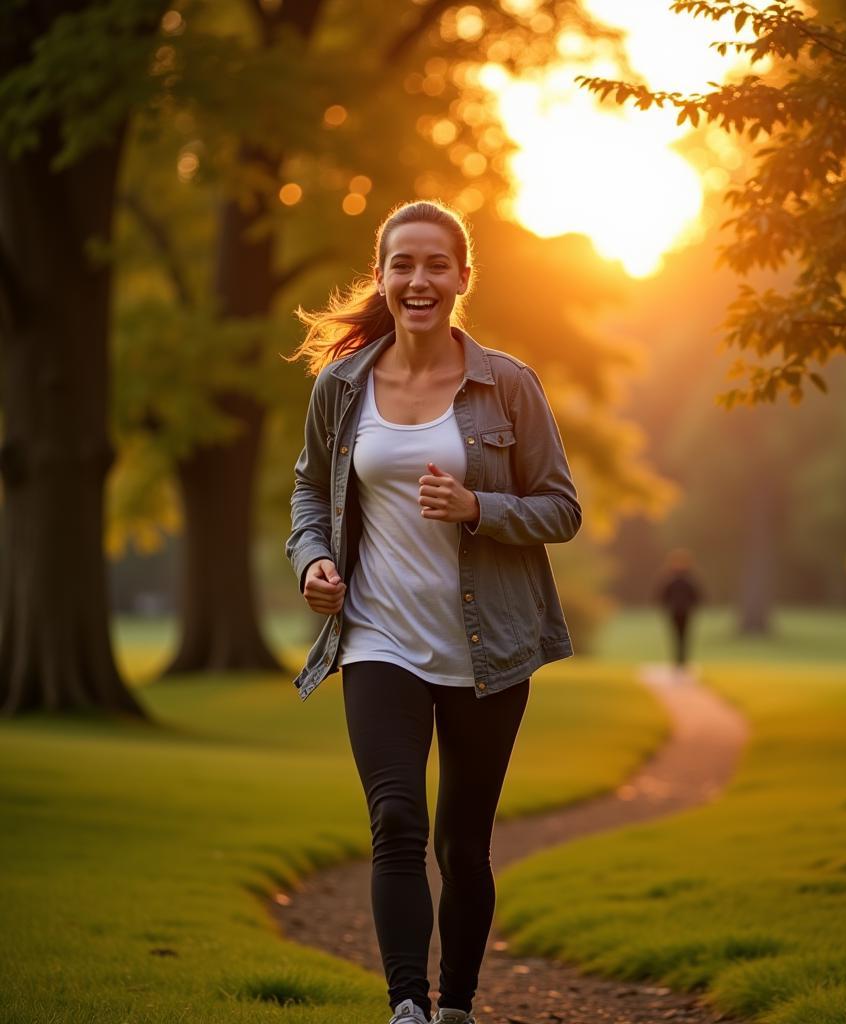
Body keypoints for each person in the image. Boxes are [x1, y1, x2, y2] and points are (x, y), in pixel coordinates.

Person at [283, 199, 582, 1024]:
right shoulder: (342, 386)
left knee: (463, 846)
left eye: (435, 265)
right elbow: (311, 489)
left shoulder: (508, 385)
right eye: (403, 265)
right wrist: (311, 558)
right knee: (397, 822)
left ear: (461, 278)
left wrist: (477, 506)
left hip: (491, 651)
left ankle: (456, 1004)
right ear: (381, 277)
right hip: (379, 639)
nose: (419, 280)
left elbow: (561, 509)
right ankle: (407, 1006)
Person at [655, 547, 703, 674]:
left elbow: (697, 596)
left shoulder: (688, 580)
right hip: (675, 612)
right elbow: (662, 596)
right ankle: (678, 661)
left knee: (684, 637)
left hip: (684, 612)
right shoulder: (673, 580)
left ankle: (682, 661)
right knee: (677, 637)